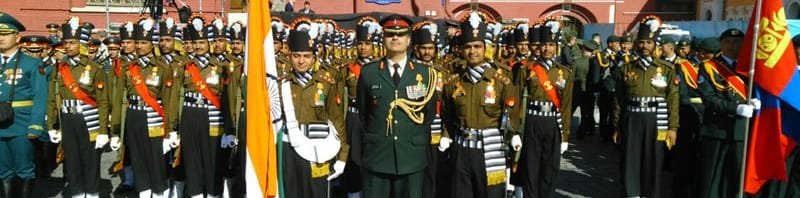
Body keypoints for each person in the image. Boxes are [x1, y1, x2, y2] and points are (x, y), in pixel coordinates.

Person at [355, 14, 438, 198]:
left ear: (408, 40)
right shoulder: (369, 73)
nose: (395, 38)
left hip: (411, 156)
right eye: (390, 34)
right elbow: (364, 113)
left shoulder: (425, 74)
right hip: (378, 156)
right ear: (383, 39)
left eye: (400, 35)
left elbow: (428, 115)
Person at [277, 17, 347, 198]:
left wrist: (342, 156)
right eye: (296, 56)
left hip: (319, 149)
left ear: (314, 57)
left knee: (317, 193)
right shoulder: (281, 84)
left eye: (306, 56)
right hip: (290, 150)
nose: (301, 61)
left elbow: (337, 119)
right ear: (289, 56)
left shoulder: (327, 82)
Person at [611, 16, 679, 197]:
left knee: (654, 161)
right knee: (630, 160)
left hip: (656, 120)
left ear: (655, 44)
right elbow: (619, 100)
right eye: (641, 42)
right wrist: (617, 126)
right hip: (632, 119)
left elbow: (673, 99)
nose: (645, 46)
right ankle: (631, 194)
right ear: (636, 44)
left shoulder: (666, 69)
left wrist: (673, 127)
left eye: (649, 42)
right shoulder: (626, 69)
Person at [46, 16, 111, 198]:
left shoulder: (94, 68)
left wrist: (103, 130)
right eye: (66, 42)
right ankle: (76, 193)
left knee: (90, 160)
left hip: (88, 118)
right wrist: (52, 125)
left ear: (81, 44)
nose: (67, 46)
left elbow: (103, 101)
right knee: (72, 161)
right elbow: (53, 97)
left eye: (72, 42)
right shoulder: (60, 68)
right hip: (67, 118)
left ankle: (91, 193)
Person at [110, 17, 175, 197]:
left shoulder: (163, 68)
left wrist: (169, 132)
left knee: (157, 164)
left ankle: (160, 192)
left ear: (152, 44)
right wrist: (115, 131)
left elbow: (169, 102)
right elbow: (118, 101)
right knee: (138, 162)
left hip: (154, 120)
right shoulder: (128, 67)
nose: (138, 46)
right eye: (137, 42)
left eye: (143, 42)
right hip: (134, 118)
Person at [171, 16, 229, 198]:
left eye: (202, 42)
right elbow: (174, 97)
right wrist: (173, 127)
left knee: (213, 161)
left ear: (209, 43)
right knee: (192, 161)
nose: (197, 46)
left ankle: (213, 194)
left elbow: (227, 99)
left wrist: (228, 128)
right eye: (195, 42)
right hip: (190, 115)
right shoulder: (184, 67)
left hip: (212, 117)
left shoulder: (221, 67)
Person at [697, 29, 757, 198]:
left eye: (737, 42)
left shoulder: (750, 68)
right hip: (716, 130)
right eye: (728, 42)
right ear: (721, 44)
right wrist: (735, 108)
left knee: (737, 177)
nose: (733, 46)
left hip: (741, 131)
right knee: (712, 177)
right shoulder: (709, 67)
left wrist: (756, 101)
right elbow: (708, 98)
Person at [517, 17, 574, 197]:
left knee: (550, 168)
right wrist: (516, 131)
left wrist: (565, 135)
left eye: (551, 44)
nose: (547, 49)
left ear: (556, 46)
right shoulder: (527, 69)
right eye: (544, 44)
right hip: (532, 122)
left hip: (552, 123)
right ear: (538, 46)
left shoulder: (564, 72)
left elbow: (565, 106)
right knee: (531, 167)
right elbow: (518, 100)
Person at [0, 12, 48, 198]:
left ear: (17, 37)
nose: (1, 37)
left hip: (20, 123)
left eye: (6, 33)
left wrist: (35, 125)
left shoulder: (32, 63)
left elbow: (40, 96)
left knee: (24, 168)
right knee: (3, 170)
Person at [338, 15, 380, 198]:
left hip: (374, 117)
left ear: (374, 46)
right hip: (354, 117)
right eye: (360, 43)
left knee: (374, 156)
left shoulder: (381, 68)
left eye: (367, 44)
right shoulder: (348, 69)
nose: (363, 47)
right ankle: (354, 192)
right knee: (353, 157)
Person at [573, 41, 597, 139]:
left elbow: (572, 76)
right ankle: (583, 132)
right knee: (586, 113)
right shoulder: (595, 62)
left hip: (577, 89)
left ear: (583, 49)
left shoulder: (576, 61)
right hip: (589, 90)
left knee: (570, 111)